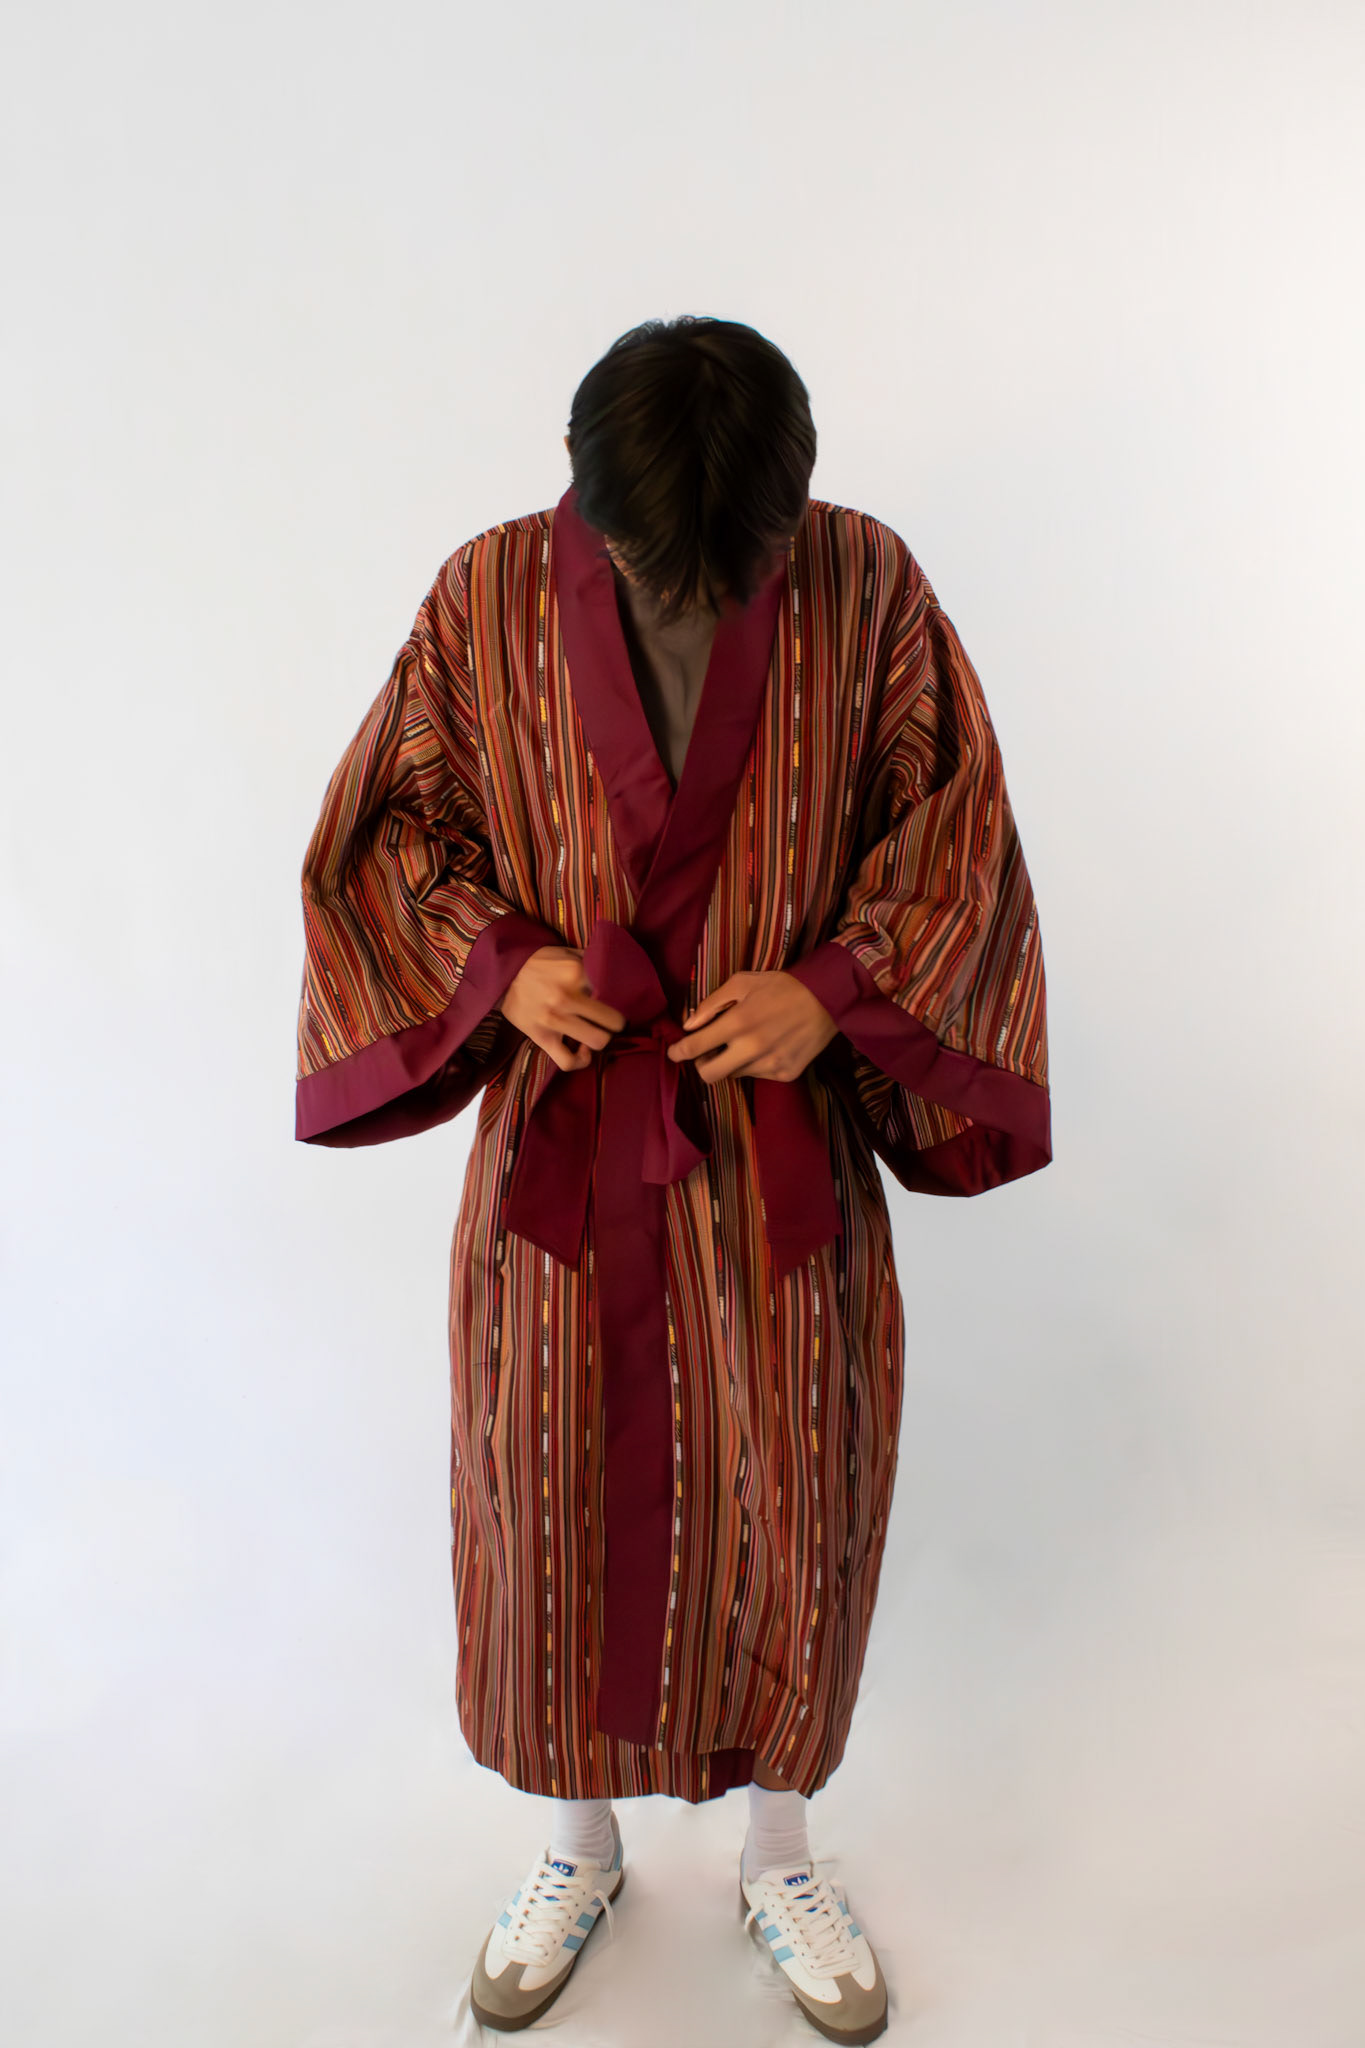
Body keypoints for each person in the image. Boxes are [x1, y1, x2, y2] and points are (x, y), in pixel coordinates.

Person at [294, 315, 1051, 2041]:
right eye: (651, 566)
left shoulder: (868, 589)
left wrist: (831, 991)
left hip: (777, 1153)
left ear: (795, 507)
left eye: (736, 565)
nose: (695, 591)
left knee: (793, 1496)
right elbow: (391, 832)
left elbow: (955, 839)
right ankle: (577, 1849)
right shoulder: (486, 598)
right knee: (546, 1492)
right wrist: (502, 969)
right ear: (586, 505)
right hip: (564, 1156)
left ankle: (781, 1854)